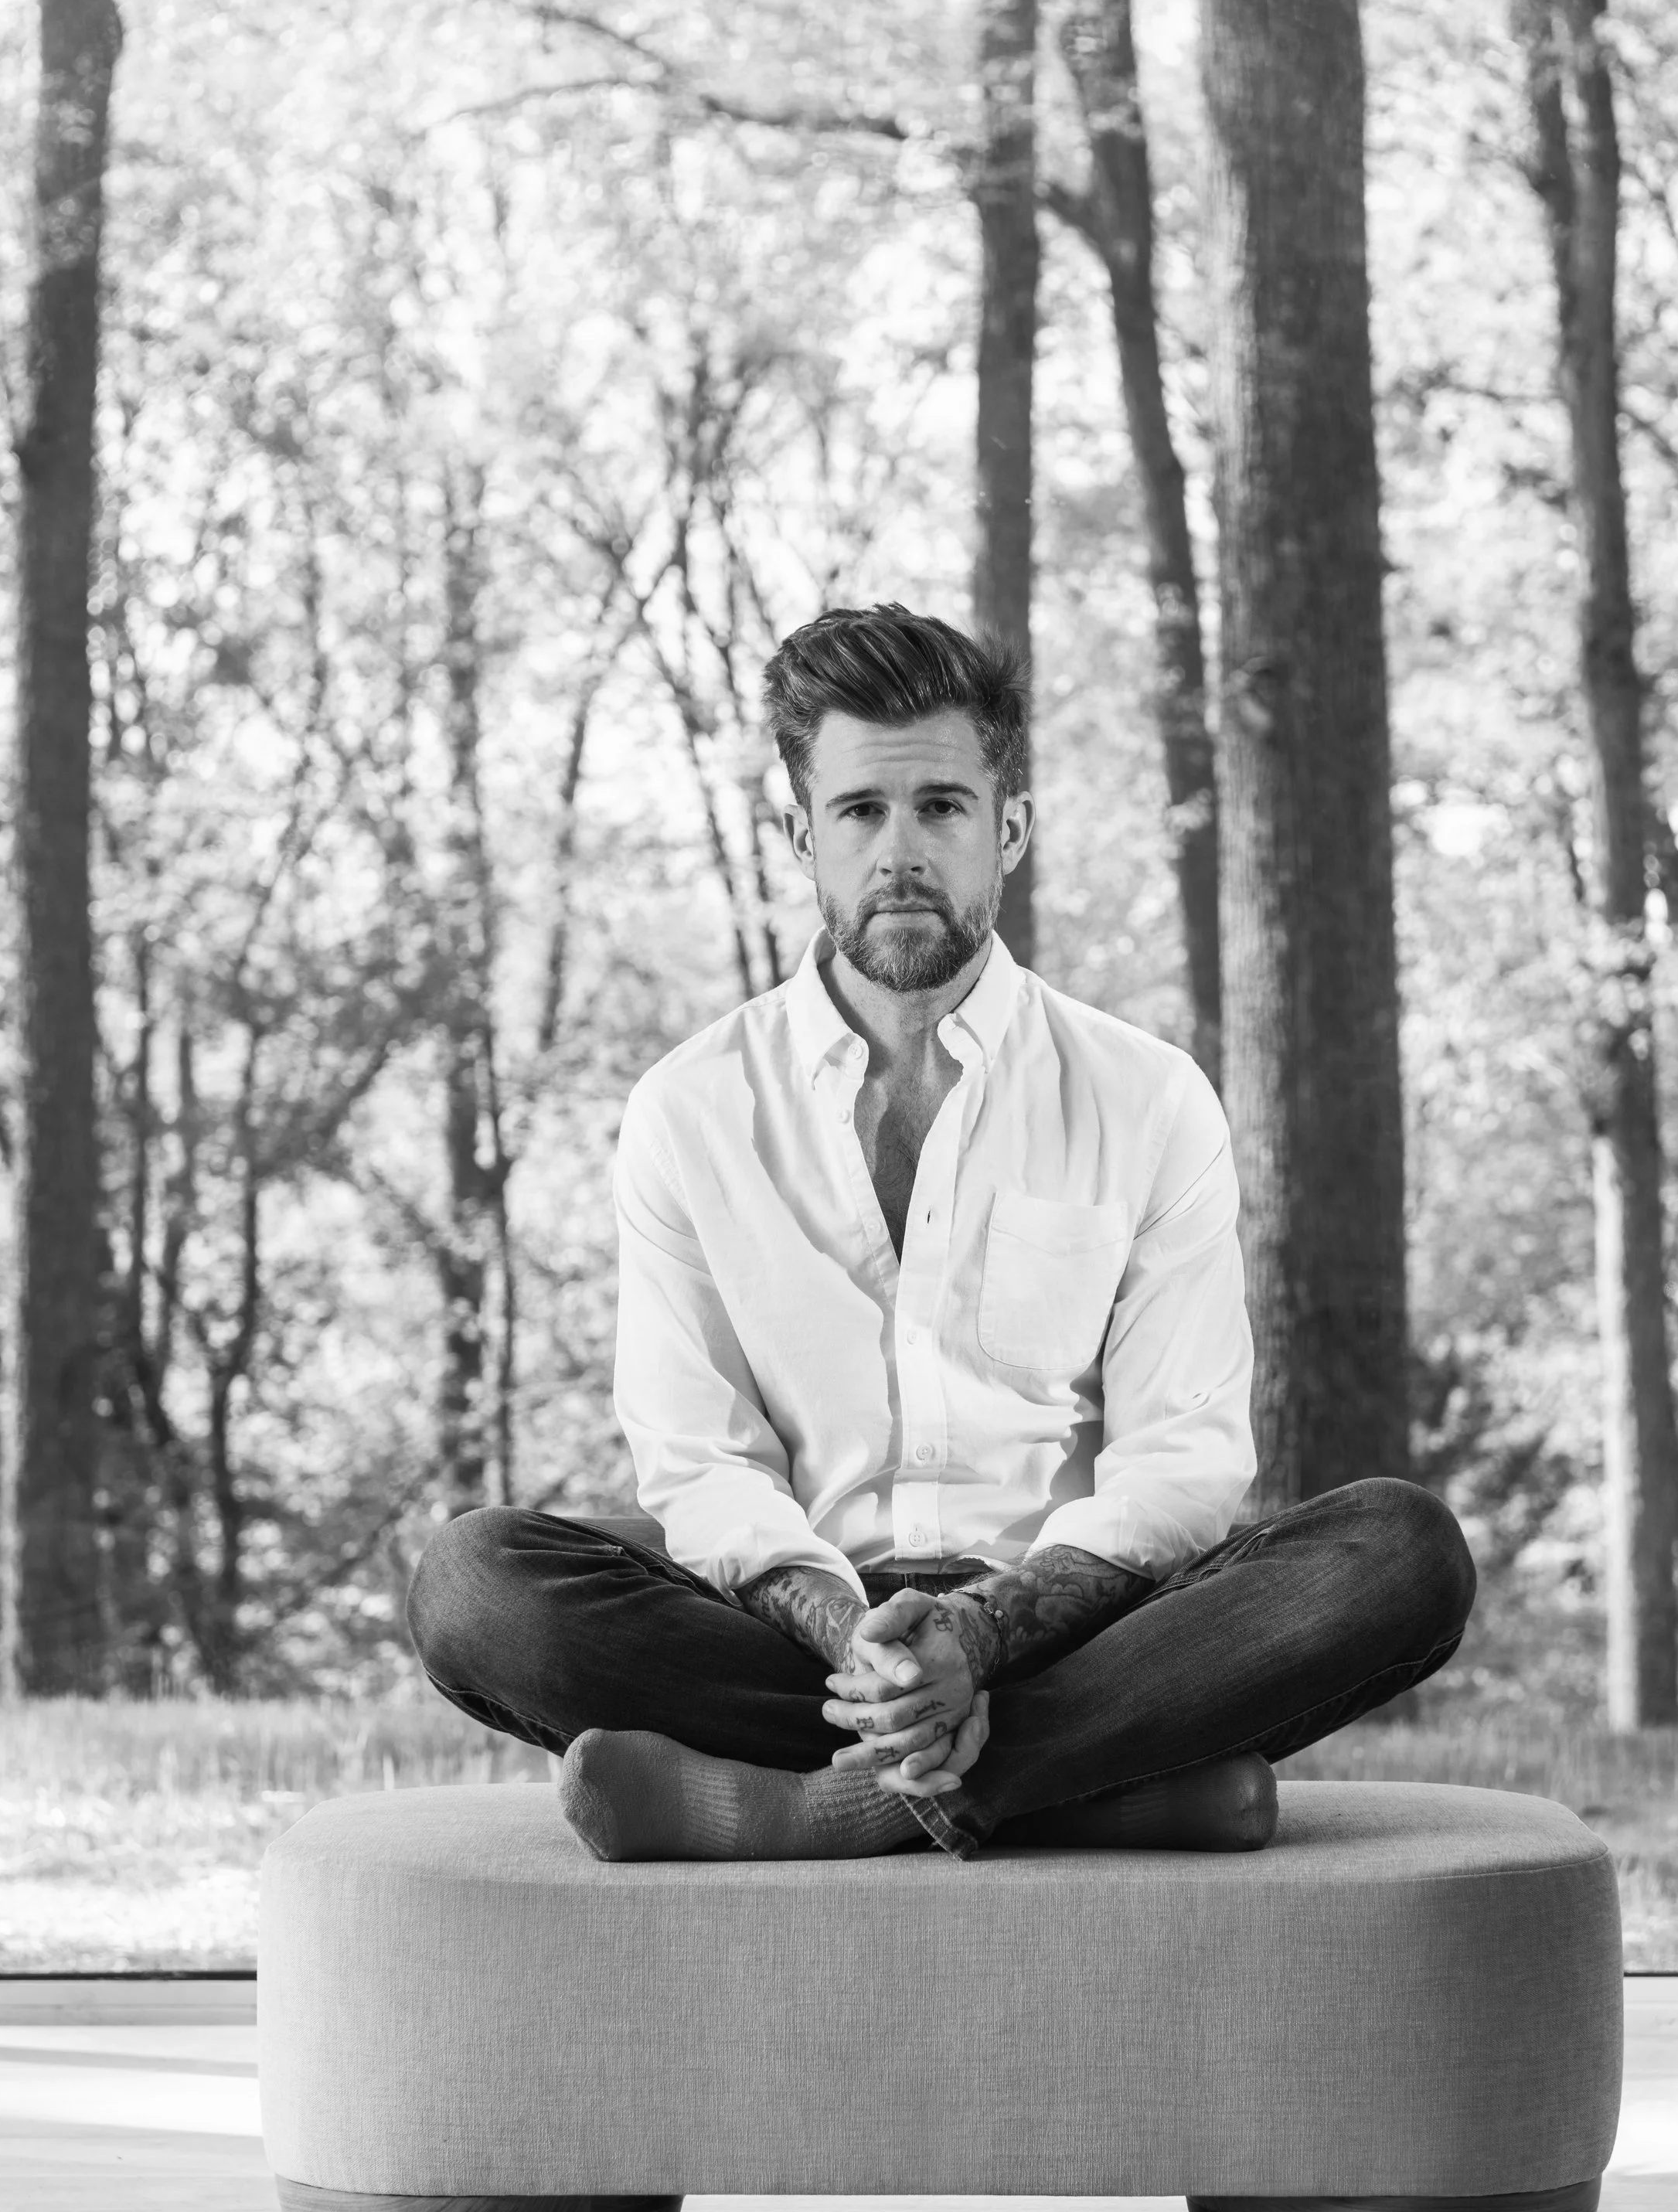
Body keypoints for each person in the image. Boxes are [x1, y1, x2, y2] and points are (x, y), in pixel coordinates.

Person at [407, 602, 1475, 1863]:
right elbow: (702, 1466)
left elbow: (1179, 1463)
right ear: (803, 835)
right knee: (476, 1582)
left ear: (1009, 827)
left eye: (944, 808)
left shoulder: (1146, 1096)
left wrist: (978, 1639)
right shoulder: (689, 1109)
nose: (901, 851)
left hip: (1080, 1617)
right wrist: (863, 1640)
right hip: (796, 1629)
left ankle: (827, 1805)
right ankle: (1091, 1783)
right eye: (861, 812)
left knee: (1402, 1553)